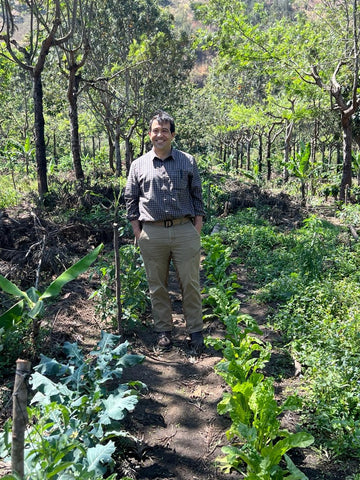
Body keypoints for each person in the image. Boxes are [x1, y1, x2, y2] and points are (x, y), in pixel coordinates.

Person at [124, 110, 205, 353]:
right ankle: (164, 332)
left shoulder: (187, 161)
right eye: (156, 130)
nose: (160, 135)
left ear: (172, 134)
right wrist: (138, 232)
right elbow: (131, 199)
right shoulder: (138, 165)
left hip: (184, 231)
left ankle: (196, 333)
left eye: (165, 130)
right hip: (152, 233)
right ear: (150, 134)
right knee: (156, 285)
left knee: (190, 283)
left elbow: (197, 196)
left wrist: (196, 228)